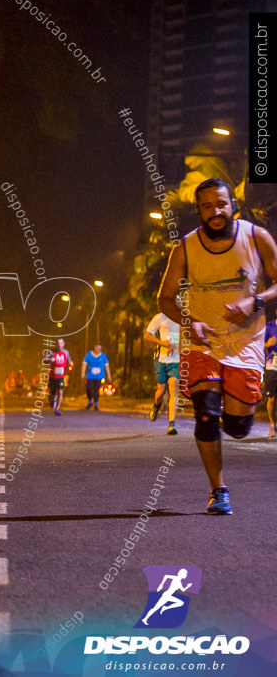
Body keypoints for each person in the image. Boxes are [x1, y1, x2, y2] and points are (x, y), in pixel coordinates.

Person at [158, 178, 277, 515]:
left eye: (221, 204)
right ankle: (218, 490)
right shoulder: (185, 247)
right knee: (206, 415)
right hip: (204, 344)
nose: (215, 212)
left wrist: (255, 302)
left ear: (233, 205)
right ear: (198, 211)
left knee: (238, 428)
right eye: (207, 206)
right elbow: (165, 298)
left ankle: (231, 414)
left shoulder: (256, 237)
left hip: (247, 343)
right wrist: (188, 321)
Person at [145, 312, 181, 435]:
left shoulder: (183, 317)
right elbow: (148, 335)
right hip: (161, 359)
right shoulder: (161, 317)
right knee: (161, 391)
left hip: (176, 360)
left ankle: (172, 424)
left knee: (173, 389)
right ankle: (156, 405)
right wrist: (164, 343)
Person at [81, 343, 112, 410]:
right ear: (94, 347)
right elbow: (84, 364)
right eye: (97, 348)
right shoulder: (89, 355)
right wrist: (83, 373)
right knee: (88, 389)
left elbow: (107, 366)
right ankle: (90, 402)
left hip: (99, 377)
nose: (98, 350)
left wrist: (109, 375)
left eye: (100, 349)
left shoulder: (103, 356)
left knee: (96, 390)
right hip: (90, 376)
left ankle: (96, 404)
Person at [45, 338, 72, 415]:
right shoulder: (52, 352)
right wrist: (50, 360)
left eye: (61, 343)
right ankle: (52, 399)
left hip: (61, 376)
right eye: (58, 343)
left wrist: (70, 363)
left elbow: (69, 360)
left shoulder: (66, 352)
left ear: (63, 344)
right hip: (52, 376)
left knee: (60, 392)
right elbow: (45, 360)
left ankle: (57, 409)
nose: (59, 345)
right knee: (52, 392)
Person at [266, 319, 277, 438]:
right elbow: (260, 344)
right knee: (271, 399)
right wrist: (268, 344)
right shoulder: (270, 326)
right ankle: (272, 424)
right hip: (271, 365)